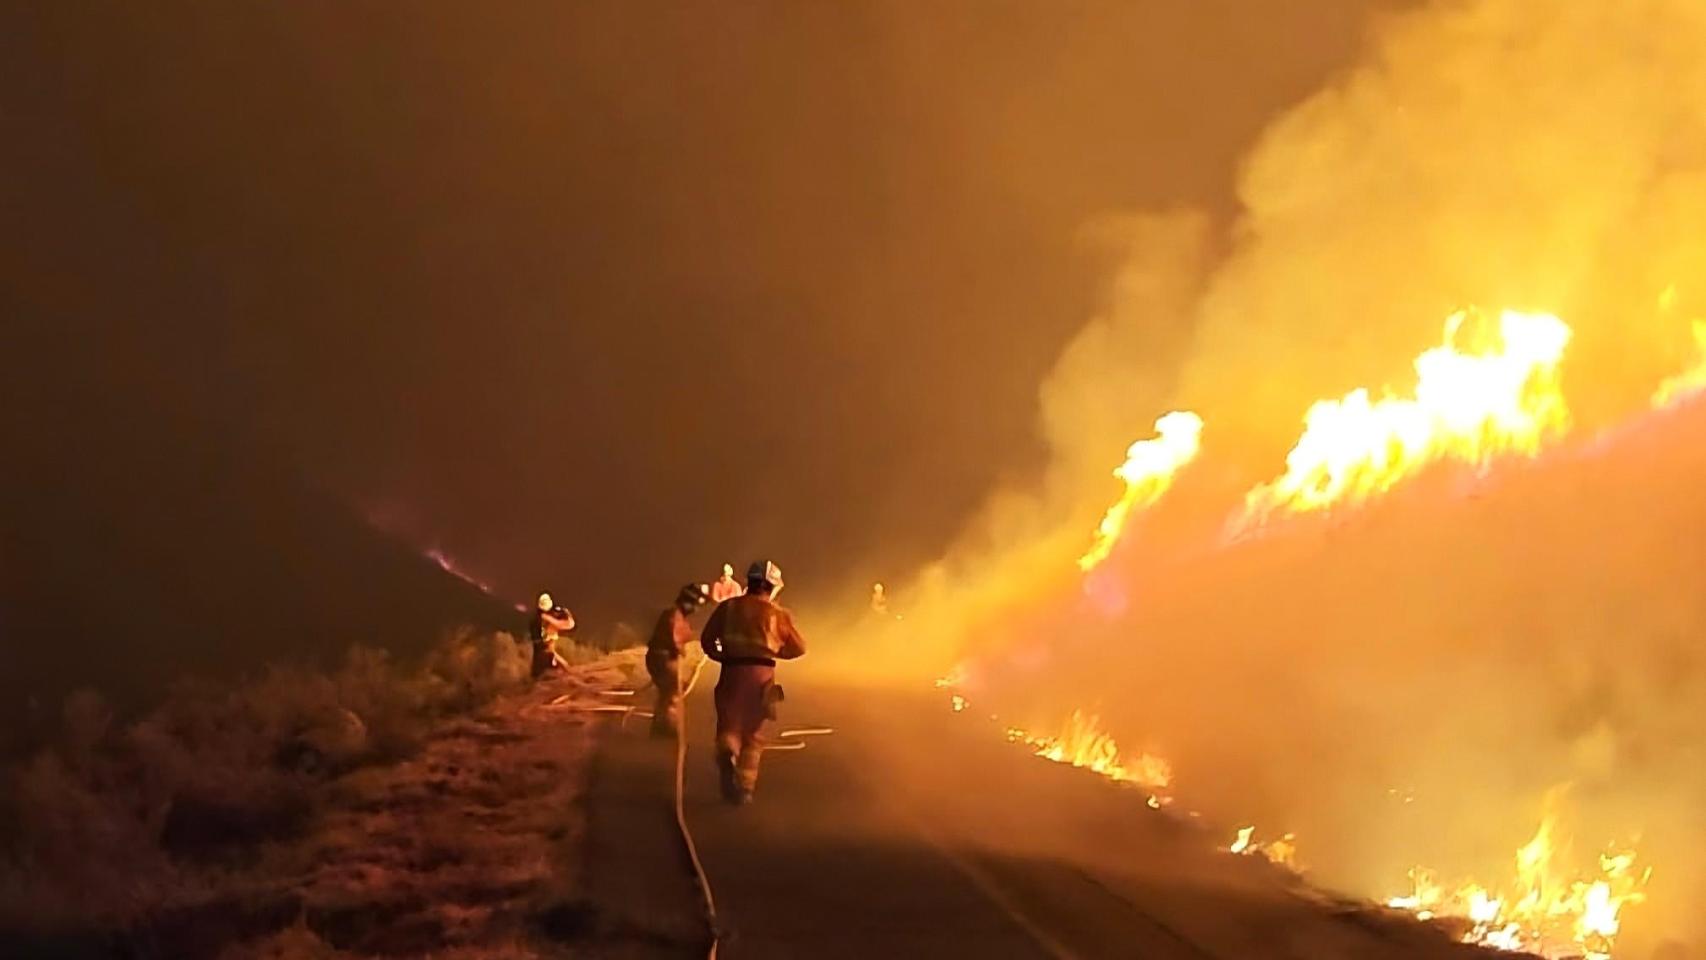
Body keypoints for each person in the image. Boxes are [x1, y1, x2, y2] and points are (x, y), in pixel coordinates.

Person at [699, 560, 806, 804]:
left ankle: (727, 750)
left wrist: (722, 655)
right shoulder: (778, 614)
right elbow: (799, 647)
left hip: (731, 672)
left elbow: (707, 640)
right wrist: (771, 652)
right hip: (762, 676)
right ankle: (745, 788)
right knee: (754, 735)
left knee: (729, 724)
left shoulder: (728, 608)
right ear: (771, 586)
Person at [647, 583, 709, 736]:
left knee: (666, 693)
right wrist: (680, 649)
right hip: (663, 658)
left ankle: (659, 726)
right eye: (695, 605)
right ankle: (666, 726)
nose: (696, 610)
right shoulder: (674, 615)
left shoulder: (676, 614)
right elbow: (674, 638)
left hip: (659, 657)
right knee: (673, 691)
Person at [529, 592, 575, 679]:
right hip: (546, 660)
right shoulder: (545, 619)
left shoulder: (538, 619)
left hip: (540, 662)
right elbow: (567, 625)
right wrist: (567, 614)